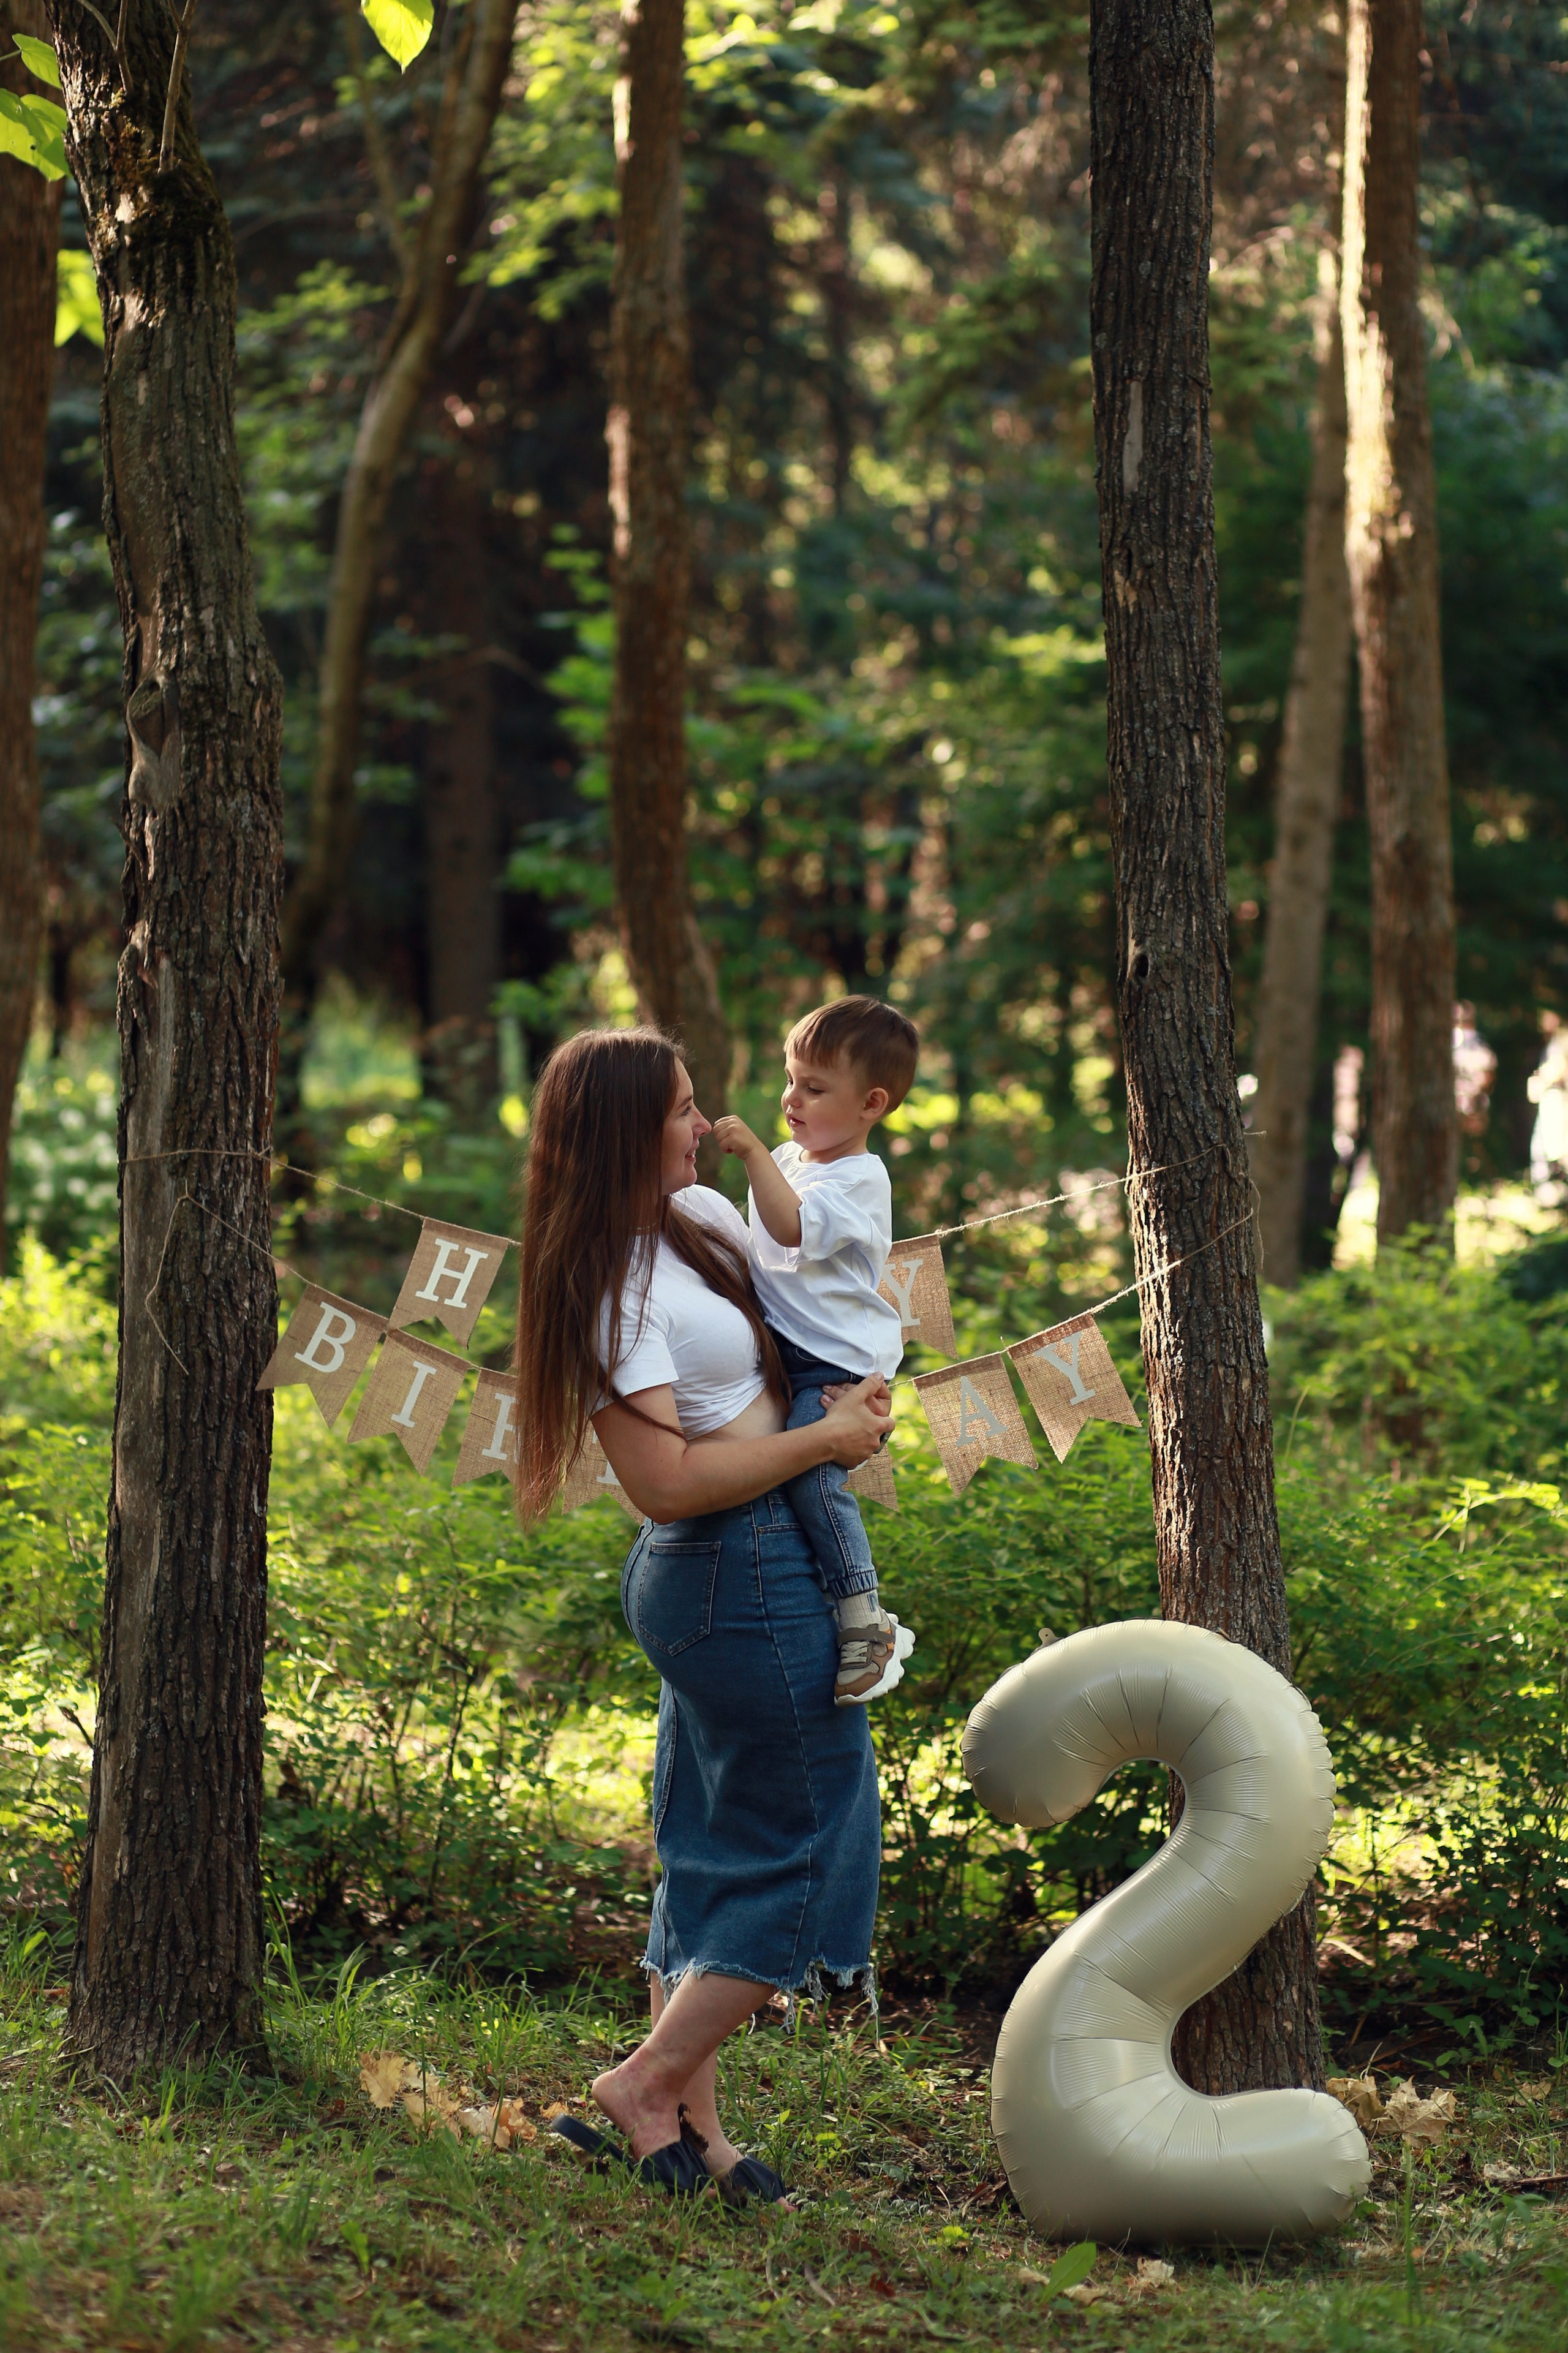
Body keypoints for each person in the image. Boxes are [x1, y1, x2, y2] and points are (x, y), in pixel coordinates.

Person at [513, 1027, 892, 2203]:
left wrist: (836, 1402)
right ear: (628, 1128)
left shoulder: (707, 1221)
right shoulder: (607, 1287)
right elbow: (663, 1479)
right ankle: (644, 2078)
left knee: (710, 1841)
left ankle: (688, 2129)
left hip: (752, 1560)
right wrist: (824, 1439)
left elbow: (816, 1303)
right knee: (811, 1837)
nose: (705, 1124)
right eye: (681, 1110)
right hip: (730, 1566)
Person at [711, 997, 919, 1704]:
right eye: (790, 1077)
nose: (790, 1098)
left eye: (814, 1087)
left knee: (811, 1475)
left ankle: (863, 1615)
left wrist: (744, 1154)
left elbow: (790, 1228)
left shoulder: (858, 1179)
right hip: (789, 1351)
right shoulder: (789, 1159)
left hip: (833, 1363)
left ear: (870, 1103)